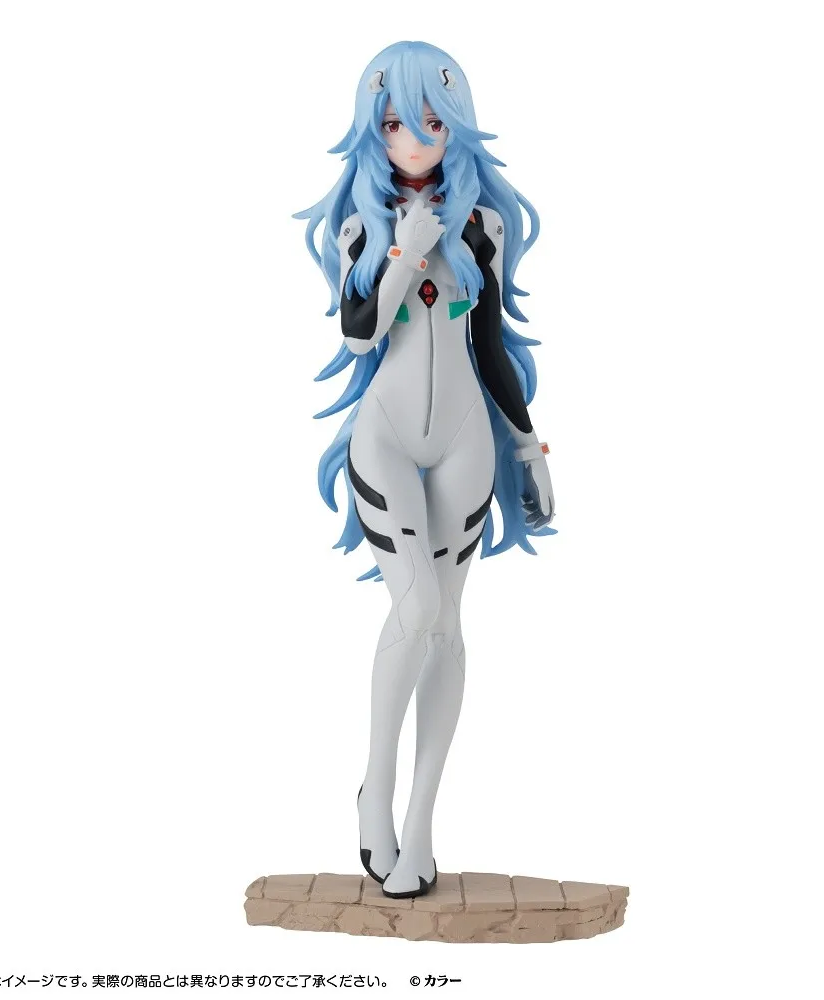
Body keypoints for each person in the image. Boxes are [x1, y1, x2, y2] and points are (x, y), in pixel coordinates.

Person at [293, 40, 555, 899]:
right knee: (415, 605)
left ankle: (421, 822)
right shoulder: (361, 225)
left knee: (445, 624)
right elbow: (359, 334)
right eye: (395, 123)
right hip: (387, 438)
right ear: (373, 127)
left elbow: (491, 347)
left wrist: (528, 446)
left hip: (467, 442)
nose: (413, 139)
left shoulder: (484, 226)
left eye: (432, 122)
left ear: (457, 126)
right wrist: (404, 252)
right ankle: (374, 789)